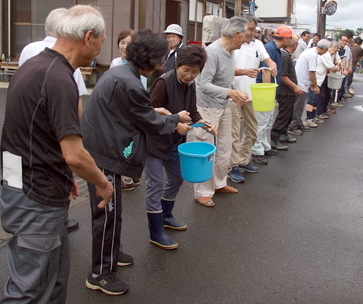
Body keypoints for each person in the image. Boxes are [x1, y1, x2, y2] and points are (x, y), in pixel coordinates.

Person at [0, 5, 115, 302]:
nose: (100, 50)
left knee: (50, 282)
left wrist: (63, 177)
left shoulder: (34, 65)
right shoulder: (60, 79)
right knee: (30, 289)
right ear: (88, 37)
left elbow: (33, 132)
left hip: (26, 186)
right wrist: (102, 183)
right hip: (36, 199)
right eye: (101, 42)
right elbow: (74, 154)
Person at [81, 29, 190, 293]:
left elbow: (137, 111)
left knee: (112, 213)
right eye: (160, 59)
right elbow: (150, 123)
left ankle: (112, 253)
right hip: (103, 155)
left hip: (102, 148)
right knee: (107, 215)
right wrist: (175, 121)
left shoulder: (122, 75)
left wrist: (156, 111)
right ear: (149, 58)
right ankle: (100, 274)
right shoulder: (129, 82)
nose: (162, 64)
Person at [18, 8, 87, 233]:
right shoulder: (67, 58)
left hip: (26, 127)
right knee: (57, 172)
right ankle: (58, 219)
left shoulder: (29, 50)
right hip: (56, 128)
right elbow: (76, 101)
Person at [145, 45, 214, 248]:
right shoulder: (163, 83)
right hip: (154, 142)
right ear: (177, 64)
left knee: (176, 177)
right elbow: (149, 115)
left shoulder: (191, 85)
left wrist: (204, 122)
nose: (189, 75)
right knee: (155, 185)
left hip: (174, 142)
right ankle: (155, 232)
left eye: (194, 72)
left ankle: (166, 216)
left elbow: (192, 110)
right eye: (186, 70)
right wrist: (176, 125)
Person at [193, 16, 249, 207]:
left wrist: (235, 89)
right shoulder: (212, 52)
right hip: (208, 107)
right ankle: (202, 191)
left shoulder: (229, 51)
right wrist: (231, 92)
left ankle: (218, 183)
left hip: (223, 105)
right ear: (236, 34)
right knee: (207, 150)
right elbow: (202, 85)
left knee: (224, 149)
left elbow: (226, 75)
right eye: (245, 35)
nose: (246, 39)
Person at [228, 14, 277, 182]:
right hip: (233, 94)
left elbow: (268, 60)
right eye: (249, 29)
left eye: (253, 29)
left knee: (252, 129)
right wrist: (244, 71)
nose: (251, 33)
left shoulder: (258, 44)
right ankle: (232, 166)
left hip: (250, 94)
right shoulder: (234, 44)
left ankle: (242, 160)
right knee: (234, 133)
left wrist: (272, 65)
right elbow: (226, 70)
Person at [109, 29, 146, 191]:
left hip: (131, 109)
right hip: (117, 109)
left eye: (128, 43)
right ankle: (130, 174)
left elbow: (140, 89)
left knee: (129, 142)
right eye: (121, 42)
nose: (124, 46)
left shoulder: (138, 65)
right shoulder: (115, 62)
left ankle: (127, 176)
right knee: (122, 142)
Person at [251, 26, 291, 164]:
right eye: (290, 38)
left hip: (268, 92)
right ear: (285, 38)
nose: (291, 42)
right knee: (261, 122)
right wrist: (267, 93)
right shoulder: (270, 48)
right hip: (264, 92)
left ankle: (263, 146)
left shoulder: (275, 48)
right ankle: (256, 150)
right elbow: (266, 71)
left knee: (266, 121)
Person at [271, 35, 304, 146]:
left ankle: (284, 135)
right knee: (283, 116)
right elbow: (283, 76)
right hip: (285, 92)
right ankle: (275, 139)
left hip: (289, 92)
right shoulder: (284, 56)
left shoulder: (287, 55)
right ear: (294, 44)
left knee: (288, 115)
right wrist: (295, 87)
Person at [289, 39, 323, 135]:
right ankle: (293, 126)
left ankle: (298, 123)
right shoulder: (313, 55)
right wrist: (315, 86)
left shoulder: (310, 51)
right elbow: (312, 72)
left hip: (301, 81)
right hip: (301, 82)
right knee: (298, 106)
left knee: (300, 106)